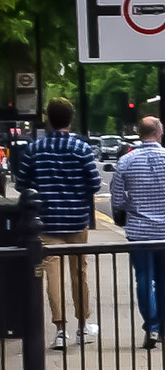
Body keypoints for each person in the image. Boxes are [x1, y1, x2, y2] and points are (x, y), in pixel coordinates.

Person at [18, 99, 100, 349]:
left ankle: (60, 329)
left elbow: (22, 184)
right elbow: (95, 184)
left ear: (49, 119)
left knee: (52, 274)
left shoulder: (35, 149)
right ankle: (82, 327)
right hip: (76, 220)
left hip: (46, 222)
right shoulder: (81, 148)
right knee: (79, 272)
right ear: (70, 119)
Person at [110, 116, 165, 349]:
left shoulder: (126, 161)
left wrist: (131, 207)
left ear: (139, 133)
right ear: (160, 132)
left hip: (139, 230)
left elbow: (116, 199)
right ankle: (162, 326)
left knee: (143, 278)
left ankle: (151, 326)